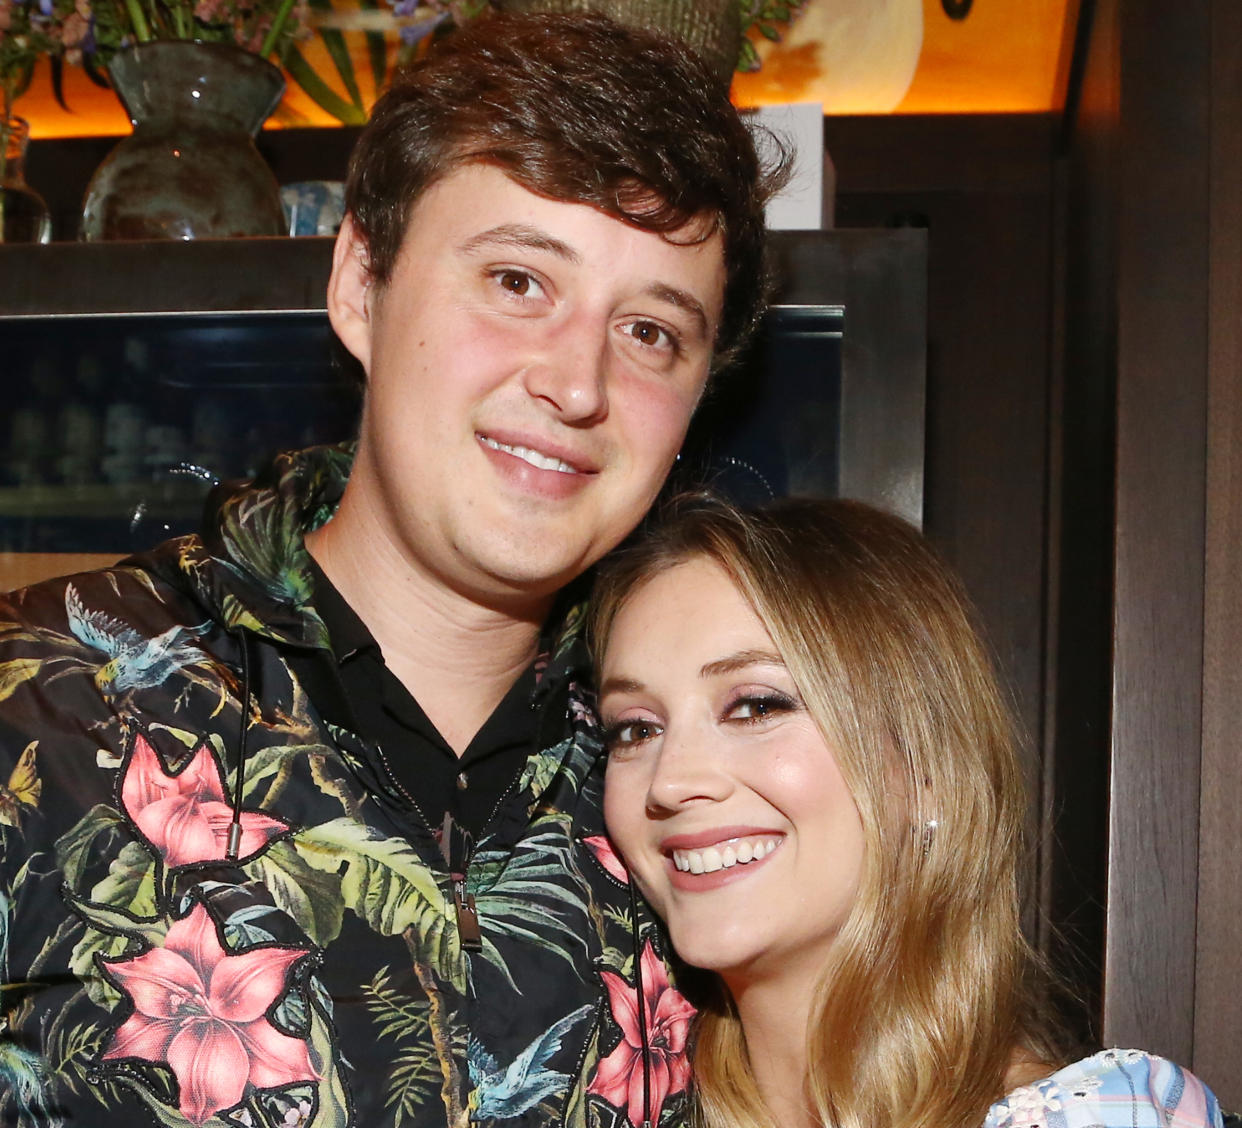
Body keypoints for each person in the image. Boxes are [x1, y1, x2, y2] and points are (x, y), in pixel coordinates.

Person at [0, 15, 787, 1128]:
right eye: (518, 280)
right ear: (362, 285)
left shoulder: (709, 802)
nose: (575, 382)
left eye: (652, 331)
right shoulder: (40, 704)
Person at [591, 496, 1226, 1128]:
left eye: (756, 706)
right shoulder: (608, 1100)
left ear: (924, 772)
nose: (671, 781)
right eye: (634, 729)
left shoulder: (1113, 1115)